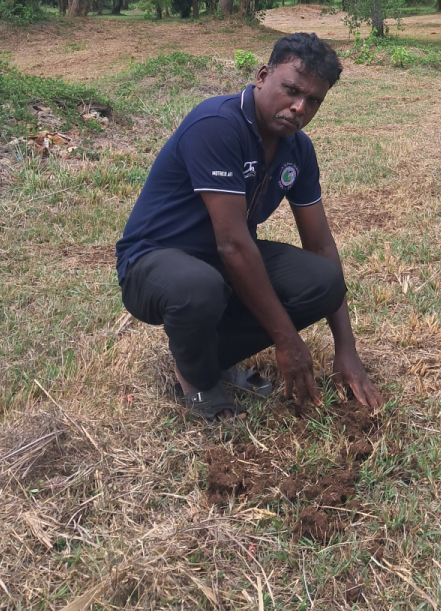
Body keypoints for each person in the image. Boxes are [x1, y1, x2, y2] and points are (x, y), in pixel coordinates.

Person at [117, 32, 381, 421]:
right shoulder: (218, 124)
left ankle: (208, 356)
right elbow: (232, 245)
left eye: (313, 101)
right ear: (262, 76)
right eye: (292, 90)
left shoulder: (298, 150)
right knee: (199, 287)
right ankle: (196, 378)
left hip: (223, 264)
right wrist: (287, 341)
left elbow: (321, 245)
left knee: (323, 281)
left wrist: (347, 348)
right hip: (154, 262)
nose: (299, 107)